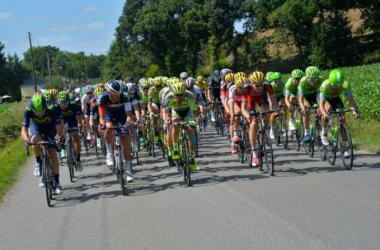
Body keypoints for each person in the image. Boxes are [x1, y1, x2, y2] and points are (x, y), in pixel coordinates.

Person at [21, 92, 64, 194]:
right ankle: (38, 163)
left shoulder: (51, 109)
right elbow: (24, 129)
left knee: (52, 151)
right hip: (36, 127)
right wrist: (26, 139)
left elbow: (59, 127)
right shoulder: (28, 111)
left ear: (46, 106)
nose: (40, 114)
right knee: (34, 139)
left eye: (42, 111)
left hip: (50, 128)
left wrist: (58, 136)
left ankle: (57, 183)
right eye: (37, 112)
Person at [241, 71, 281, 167]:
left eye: (261, 85)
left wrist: (278, 111)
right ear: (252, 84)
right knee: (253, 123)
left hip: (262, 99)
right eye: (257, 85)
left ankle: (265, 130)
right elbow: (243, 108)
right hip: (250, 100)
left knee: (266, 112)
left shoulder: (267, 86)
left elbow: (274, 102)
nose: (260, 87)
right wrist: (248, 116)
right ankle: (254, 152)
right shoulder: (246, 87)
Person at [99, 80, 134, 182]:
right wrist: (102, 124)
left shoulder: (124, 97)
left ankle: (128, 168)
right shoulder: (103, 98)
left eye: (119, 93)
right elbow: (101, 117)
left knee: (125, 138)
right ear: (109, 93)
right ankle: (109, 151)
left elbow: (128, 115)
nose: (118, 95)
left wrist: (129, 122)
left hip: (121, 115)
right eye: (115, 94)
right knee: (108, 127)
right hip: (108, 115)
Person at [319, 69, 360, 150]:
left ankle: (344, 145)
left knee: (343, 117)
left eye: (339, 86)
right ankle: (324, 132)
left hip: (336, 99)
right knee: (328, 108)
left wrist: (355, 112)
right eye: (334, 86)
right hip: (325, 99)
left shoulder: (345, 85)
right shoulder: (325, 85)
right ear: (330, 83)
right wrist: (325, 114)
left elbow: (351, 101)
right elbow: (321, 104)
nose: (337, 88)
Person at [163, 81, 199, 170]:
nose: (180, 97)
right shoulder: (168, 98)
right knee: (175, 122)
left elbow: (194, 110)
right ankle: (175, 148)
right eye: (177, 95)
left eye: (181, 94)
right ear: (174, 94)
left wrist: (197, 118)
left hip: (187, 112)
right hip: (176, 112)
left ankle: (191, 156)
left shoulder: (190, 96)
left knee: (191, 131)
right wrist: (168, 120)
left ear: (184, 92)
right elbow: (167, 113)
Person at [57, 91, 84, 171]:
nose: (63, 105)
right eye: (61, 103)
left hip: (72, 119)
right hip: (63, 120)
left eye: (65, 103)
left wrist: (79, 126)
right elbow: (57, 121)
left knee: (76, 135)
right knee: (61, 132)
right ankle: (63, 148)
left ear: (68, 101)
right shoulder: (57, 107)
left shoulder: (73, 104)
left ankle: (78, 160)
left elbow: (78, 117)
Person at [298, 66, 325, 142]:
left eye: (316, 79)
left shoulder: (321, 80)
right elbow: (300, 98)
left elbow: (323, 95)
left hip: (314, 95)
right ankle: (306, 133)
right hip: (305, 96)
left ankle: (319, 132)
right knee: (306, 109)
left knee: (320, 112)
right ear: (307, 78)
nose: (314, 81)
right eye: (312, 79)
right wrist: (303, 108)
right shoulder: (303, 82)